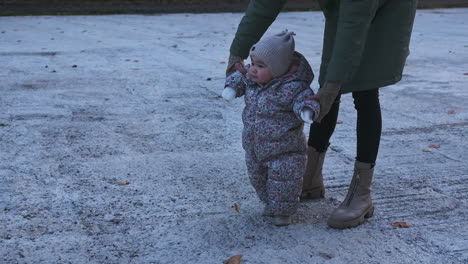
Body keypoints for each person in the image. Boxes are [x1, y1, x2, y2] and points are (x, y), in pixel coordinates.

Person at [226, 0, 418, 229]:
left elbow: (354, 22)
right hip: (345, 11)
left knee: (364, 88)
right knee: (330, 79)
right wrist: (237, 52)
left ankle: (361, 192)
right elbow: (265, 3)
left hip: (387, 10)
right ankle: (310, 177)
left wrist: (331, 87)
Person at [222, 31, 321, 226]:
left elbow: (304, 99)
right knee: (258, 178)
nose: (253, 69)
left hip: (285, 150)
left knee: (284, 182)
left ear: (278, 69)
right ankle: (269, 203)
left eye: (260, 66)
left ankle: (283, 212)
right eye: (252, 62)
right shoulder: (252, 78)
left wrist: (307, 110)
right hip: (254, 148)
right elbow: (240, 77)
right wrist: (232, 87)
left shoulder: (292, 88)